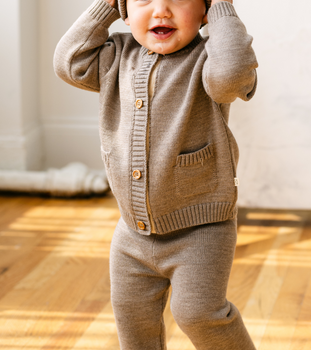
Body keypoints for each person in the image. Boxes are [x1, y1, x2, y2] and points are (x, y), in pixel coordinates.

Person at [54, 0, 258, 348]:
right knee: (134, 324)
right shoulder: (114, 56)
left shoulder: (209, 60)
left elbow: (231, 78)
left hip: (201, 230)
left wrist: (222, 7)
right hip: (132, 232)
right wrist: (107, 6)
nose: (161, 10)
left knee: (198, 313)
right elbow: (68, 62)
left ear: (205, 9)